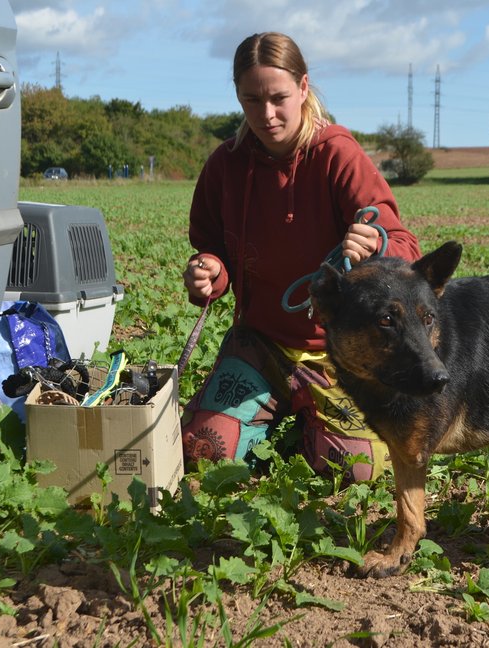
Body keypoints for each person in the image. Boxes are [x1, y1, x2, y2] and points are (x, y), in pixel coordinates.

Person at [180, 32, 421, 481]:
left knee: (356, 473)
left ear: (304, 88)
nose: (266, 114)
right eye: (251, 100)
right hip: (262, 343)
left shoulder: (338, 156)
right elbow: (211, 248)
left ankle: (307, 420)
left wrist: (375, 248)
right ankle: (286, 413)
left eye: (278, 98)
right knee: (202, 452)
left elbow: (404, 248)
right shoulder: (225, 165)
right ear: (237, 95)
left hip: (338, 350)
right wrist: (210, 271)